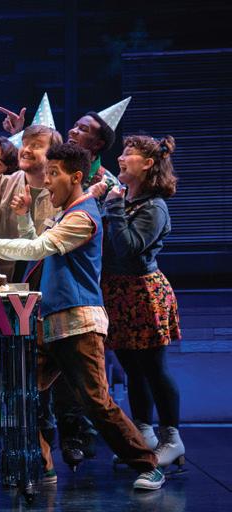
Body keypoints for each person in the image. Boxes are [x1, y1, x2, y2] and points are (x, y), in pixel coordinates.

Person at [0, 142, 165, 491]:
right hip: (51, 323)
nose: (47, 181)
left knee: (97, 403)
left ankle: (148, 465)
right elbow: (41, 249)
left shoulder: (83, 217)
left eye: (54, 173)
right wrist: (23, 217)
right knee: (19, 392)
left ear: (76, 177)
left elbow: (38, 247)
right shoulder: (67, 215)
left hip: (78, 324)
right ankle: (42, 466)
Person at [94, 135, 184, 469]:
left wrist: (114, 207)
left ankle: (172, 438)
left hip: (143, 294)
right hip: (116, 292)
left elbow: (128, 248)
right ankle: (143, 432)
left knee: (153, 368)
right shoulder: (122, 197)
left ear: (147, 164)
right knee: (131, 368)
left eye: (129, 154)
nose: (121, 157)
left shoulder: (154, 206)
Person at [0, 124, 63, 281]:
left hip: (49, 285)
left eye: (36, 145)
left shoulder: (63, 194)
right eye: (24, 144)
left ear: (53, 153)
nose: (26, 150)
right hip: (7, 284)